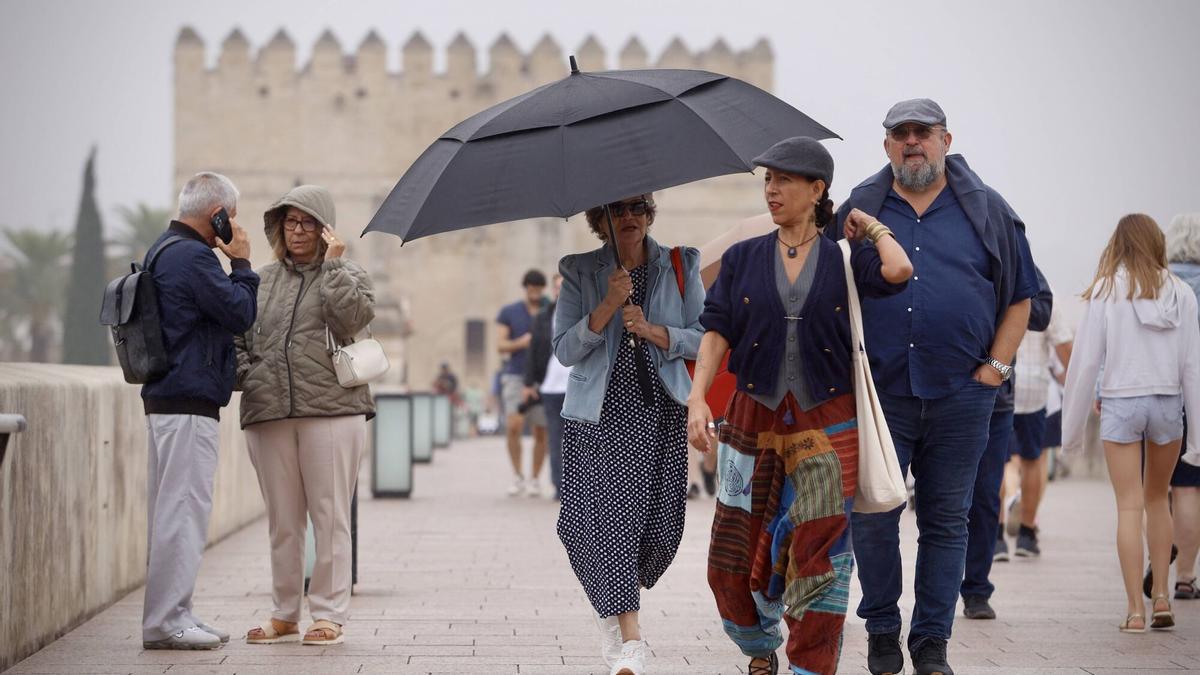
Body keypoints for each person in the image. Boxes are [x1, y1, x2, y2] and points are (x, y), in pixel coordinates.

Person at [689, 136, 912, 675]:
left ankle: (811, 666)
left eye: (784, 180)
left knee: (821, 557)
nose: (772, 190)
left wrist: (871, 227)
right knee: (731, 557)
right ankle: (757, 644)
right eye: (768, 180)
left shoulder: (844, 256)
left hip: (828, 423)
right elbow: (716, 333)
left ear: (817, 190)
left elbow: (900, 271)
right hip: (750, 423)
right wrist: (697, 398)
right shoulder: (742, 259)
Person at [841, 99, 1039, 675]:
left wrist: (994, 372)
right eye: (899, 134)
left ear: (945, 140)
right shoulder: (860, 209)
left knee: (947, 520)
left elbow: (1021, 297)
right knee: (873, 515)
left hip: (962, 394)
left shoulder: (987, 210)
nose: (911, 142)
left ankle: (931, 643)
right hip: (882, 396)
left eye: (921, 133)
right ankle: (881, 630)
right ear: (886, 147)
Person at [554, 194, 703, 675]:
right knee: (603, 524)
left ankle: (609, 611)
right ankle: (631, 638)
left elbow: (705, 336)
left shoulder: (679, 264)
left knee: (659, 530)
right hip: (598, 416)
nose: (630, 217)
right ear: (600, 219)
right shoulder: (580, 270)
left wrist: (657, 330)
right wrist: (607, 307)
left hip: (659, 411)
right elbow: (565, 350)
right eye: (617, 210)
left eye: (638, 207)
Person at [235, 185, 376, 646]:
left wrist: (334, 266)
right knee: (282, 519)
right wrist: (248, 375)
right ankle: (284, 612)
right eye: (290, 222)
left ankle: (329, 613)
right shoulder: (261, 280)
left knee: (330, 514)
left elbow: (352, 320)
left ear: (325, 228)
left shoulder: (349, 273)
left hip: (334, 410)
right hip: (269, 411)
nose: (297, 231)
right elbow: (236, 335)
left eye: (308, 223)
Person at [1065, 214, 1200, 633]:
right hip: (1167, 403)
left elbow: (1086, 362)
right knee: (1158, 500)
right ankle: (1162, 594)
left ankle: (1134, 611)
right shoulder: (1181, 293)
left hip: (1122, 402)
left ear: (1118, 244)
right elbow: (1192, 367)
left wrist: (1070, 432)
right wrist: (1196, 434)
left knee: (1129, 505)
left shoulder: (1106, 289)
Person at [141, 172, 259, 649]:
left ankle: (177, 612)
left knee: (173, 511)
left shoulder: (164, 249)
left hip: (168, 396)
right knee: (183, 512)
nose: (233, 226)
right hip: (187, 400)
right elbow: (240, 312)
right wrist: (244, 263)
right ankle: (168, 621)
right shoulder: (193, 256)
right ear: (218, 215)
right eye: (231, 217)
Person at [960, 269, 1053, 622]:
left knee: (986, 493)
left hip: (992, 394)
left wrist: (995, 367)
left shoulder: (1005, 231)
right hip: (928, 388)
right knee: (937, 499)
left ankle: (976, 589)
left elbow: (1041, 310)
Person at [1163, 212, 1200, 600]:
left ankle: (1158, 563)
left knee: (1155, 493)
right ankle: (1186, 577)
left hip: (1159, 394)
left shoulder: (1160, 284)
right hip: (1197, 399)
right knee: (1189, 490)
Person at [497, 269, 549, 496]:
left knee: (541, 430)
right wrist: (523, 341)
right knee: (514, 426)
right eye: (531, 288)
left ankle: (535, 478)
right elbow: (501, 345)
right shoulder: (509, 312)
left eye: (538, 289)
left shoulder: (551, 310)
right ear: (525, 288)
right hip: (516, 374)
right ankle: (517, 475)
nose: (535, 292)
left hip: (543, 377)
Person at [526, 273, 569, 500]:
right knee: (555, 437)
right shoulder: (544, 316)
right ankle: (558, 485)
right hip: (551, 386)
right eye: (557, 287)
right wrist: (529, 382)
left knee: (579, 439)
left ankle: (579, 485)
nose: (560, 291)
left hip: (577, 386)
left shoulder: (585, 312)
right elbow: (533, 351)